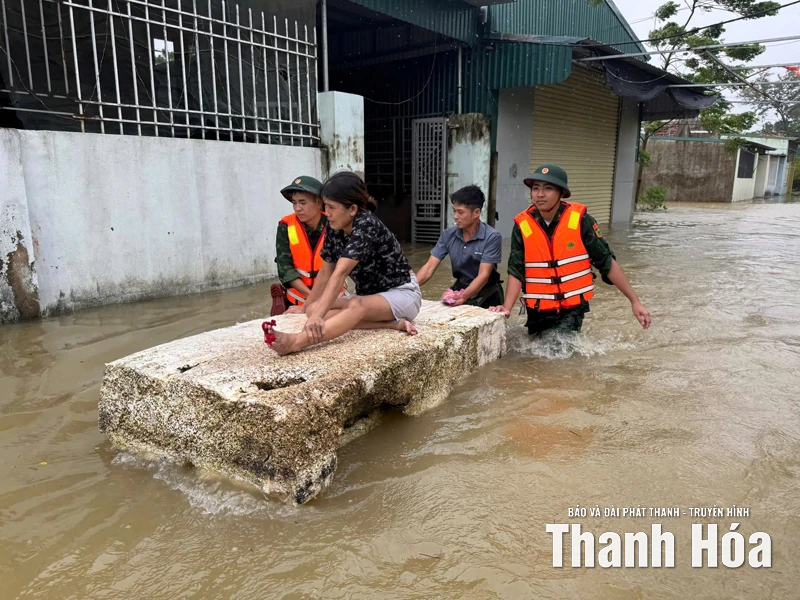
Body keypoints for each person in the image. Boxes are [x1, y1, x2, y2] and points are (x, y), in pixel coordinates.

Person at [265, 171, 422, 356]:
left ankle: (295, 342)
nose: (327, 213)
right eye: (326, 206)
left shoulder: (366, 225)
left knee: (354, 305)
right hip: (370, 296)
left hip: (402, 293)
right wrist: (307, 309)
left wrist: (317, 318)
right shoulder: (335, 227)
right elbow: (325, 273)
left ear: (353, 209)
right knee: (315, 308)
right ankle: (392, 324)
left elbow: (339, 274)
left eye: (331, 207)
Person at [489, 163, 651, 334]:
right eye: (535, 188)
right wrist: (507, 308)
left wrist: (635, 301)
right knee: (534, 355)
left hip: (572, 309)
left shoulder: (581, 220)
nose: (540, 194)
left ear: (561, 193)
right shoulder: (522, 225)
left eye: (548, 188)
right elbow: (516, 269)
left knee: (558, 350)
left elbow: (607, 262)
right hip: (537, 309)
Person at [415, 185, 504, 309]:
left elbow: (483, 276)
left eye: (460, 212)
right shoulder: (448, 235)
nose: (455, 216)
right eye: (454, 211)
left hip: (487, 293)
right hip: (460, 288)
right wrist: (409, 289)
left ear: (476, 213)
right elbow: (429, 268)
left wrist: (463, 297)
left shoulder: (492, 237)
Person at [271, 175, 328, 316]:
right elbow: (285, 269)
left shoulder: (335, 224)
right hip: (298, 300)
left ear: (319, 202)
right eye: (294, 203)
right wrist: (311, 297)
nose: (297, 208)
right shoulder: (286, 226)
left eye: (303, 202)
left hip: (333, 298)